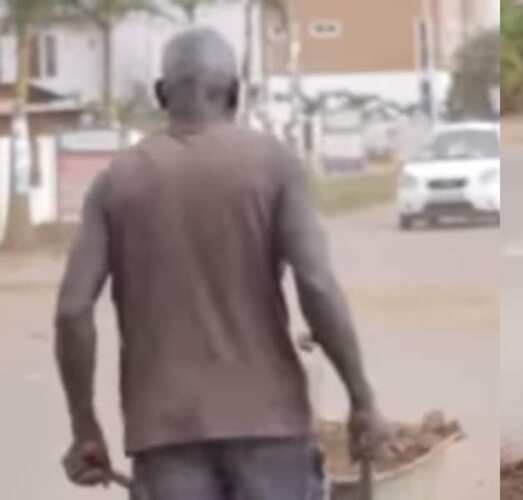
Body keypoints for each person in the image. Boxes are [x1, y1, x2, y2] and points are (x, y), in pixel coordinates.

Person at [54, 28, 384, 499]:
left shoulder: (116, 182)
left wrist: (85, 428)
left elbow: (71, 311)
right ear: (235, 91)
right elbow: (316, 284)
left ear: (162, 94)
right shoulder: (274, 164)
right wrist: (361, 397)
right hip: (270, 427)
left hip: (165, 436)